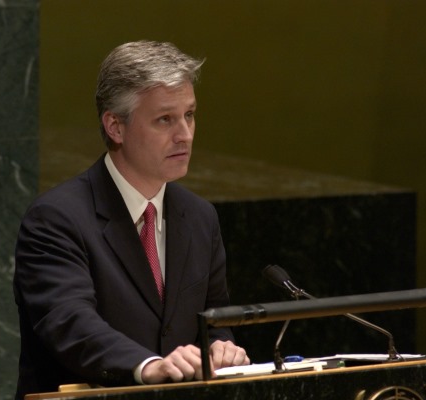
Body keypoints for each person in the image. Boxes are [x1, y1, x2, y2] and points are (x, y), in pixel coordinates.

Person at [13, 40, 250, 399]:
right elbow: (70, 323)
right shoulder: (56, 219)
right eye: (165, 119)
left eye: (189, 115)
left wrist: (221, 348)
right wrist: (148, 365)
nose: (185, 134)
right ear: (115, 126)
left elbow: (215, 320)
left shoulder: (200, 217)